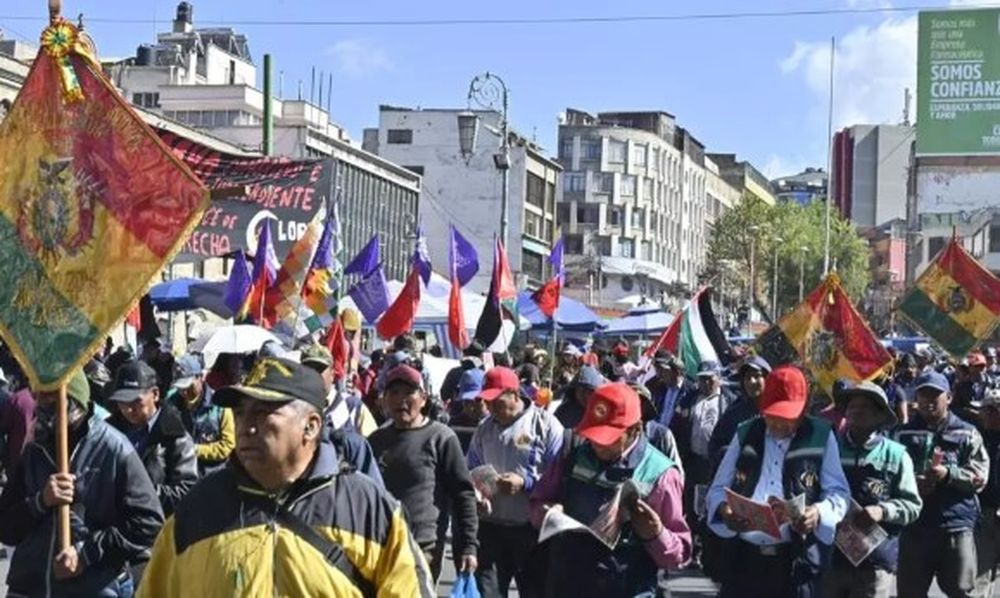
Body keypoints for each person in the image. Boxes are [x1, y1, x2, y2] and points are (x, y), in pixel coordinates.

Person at [137, 357, 434, 597]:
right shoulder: (196, 511)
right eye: (240, 413)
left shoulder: (368, 509)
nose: (246, 427)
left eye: (262, 413)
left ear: (311, 426)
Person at [0, 369, 164, 597]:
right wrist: (40, 502)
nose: (41, 406)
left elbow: (148, 523)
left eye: (50, 398)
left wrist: (86, 554)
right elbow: (5, 527)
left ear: (74, 401)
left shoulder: (114, 447)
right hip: (29, 587)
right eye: (38, 397)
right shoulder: (34, 449)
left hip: (92, 589)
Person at [530, 382, 692, 596]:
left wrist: (656, 534)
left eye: (608, 438)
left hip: (627, 585)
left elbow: (678, 554)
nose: (597, 444)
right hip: (569, 581)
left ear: (635, 429)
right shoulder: (572, 453)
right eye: (593, 434)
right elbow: (537, 504)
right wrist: (547, 513)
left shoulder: (661, 475)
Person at [706, 365, 850, 598]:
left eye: (788, 418)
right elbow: (717, 489)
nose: (779, 425)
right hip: (744, 561)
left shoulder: (822, 435)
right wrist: (725, 510)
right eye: (773, 416)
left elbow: (839, 492)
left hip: (795, 561)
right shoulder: (746, 432)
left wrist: (818, 512)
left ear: (803, 411)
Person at [368, 364, 478, 585]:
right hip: (379, 544)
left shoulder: (441, 438)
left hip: (422, 547)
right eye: (394, 393)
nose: (401, 400)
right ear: (385, 399)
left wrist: (468, 546)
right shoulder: (375, 441)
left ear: (423, 399)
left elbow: (463, 494)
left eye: (409, 393)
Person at [467, 367, 564, 597]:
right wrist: (477, 493)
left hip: (531, 530)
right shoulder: (484, 429)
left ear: (514, 394)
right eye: (487, 401)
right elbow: (471, 468)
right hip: (491, 528)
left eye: (497, 401)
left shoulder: (546, 425)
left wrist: (526, 483)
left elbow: (560, 477)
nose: (491, 407)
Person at [893, 371, 989, 598]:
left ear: (949, 397)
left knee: (962, 591)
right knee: (910, 593)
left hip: (955, 526)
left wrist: (948, 475)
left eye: (935, 395)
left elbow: (980, 476)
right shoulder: (900, 434)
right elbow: (889, 475)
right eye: (923, 394)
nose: (928, 400)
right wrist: (911, 483)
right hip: (914, 528)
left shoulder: (967, 432)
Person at [822, 381, 922, 598]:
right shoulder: (829, 448)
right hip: (831, 558)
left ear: (880, 416)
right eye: (852, 406)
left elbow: (913, 506)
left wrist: (882, 511)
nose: (856, 411)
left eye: (865, 406)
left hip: (875, 563)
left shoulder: (897, 455)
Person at [106, 360, 198, 517]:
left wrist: (141, 491)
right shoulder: (108, 432)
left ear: (155, 394)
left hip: (157, 524)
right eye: (122, 402)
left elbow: (187, 492)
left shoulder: (175, 436)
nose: (128, 409)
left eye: (136, 402)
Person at [169, 354, 235, 476]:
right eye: (180, 387)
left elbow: (228, 445)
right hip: (181, 475)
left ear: (200, 377)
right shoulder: (171, 403)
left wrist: (195, 450)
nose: (184, 392)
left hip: (212, 476)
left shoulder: (220, 405)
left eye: (189, 385)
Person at [301, 344, 377, 436]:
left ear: (332, 374)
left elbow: (373, 441)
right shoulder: (295, 407)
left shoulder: (353, 407)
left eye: (319, 369)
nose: (314, 375)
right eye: (308, 369)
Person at [709, 356, 771, 466]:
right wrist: (732, 453)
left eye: (757, 376)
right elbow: (715, 446)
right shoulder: (734, 412)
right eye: (747, 377)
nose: (751, 382)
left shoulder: (777, 411)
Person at [975, 387, 1000, 597]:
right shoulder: (979, 437)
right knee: (981, 571)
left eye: (984, 410)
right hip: (985, 511)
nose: (980, 414)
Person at [645, 350, 694, 428]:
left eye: (663, 371)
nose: (659, 375)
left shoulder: (690, 391)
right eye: (658, 370)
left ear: (676, 372)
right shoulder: (658, 387)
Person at [449, 368, 489, 453]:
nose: (471, 408)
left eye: (477, 401)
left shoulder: (496, 424)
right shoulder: (455, 424)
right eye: (467, 402)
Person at [552, 365, 604, 429]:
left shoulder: (602, 414)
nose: (583, 395)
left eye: (588, 391)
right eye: (580, 390)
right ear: (574, 390)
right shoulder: (564, 411)